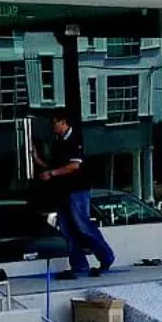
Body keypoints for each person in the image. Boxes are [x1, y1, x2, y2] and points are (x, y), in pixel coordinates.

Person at [38, 112, 115, 280]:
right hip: (63, 191)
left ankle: (106, 258)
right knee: (67, 229)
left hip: (77, 190)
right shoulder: (58, 143)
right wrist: (39, 162)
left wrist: (52, 173)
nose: (52, 128)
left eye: (54, 123)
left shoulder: (75, 140)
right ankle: (79, 265)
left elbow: (74, 166)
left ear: (63, 121)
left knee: (82, 225)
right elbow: (57, 165)